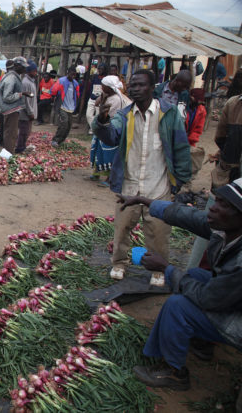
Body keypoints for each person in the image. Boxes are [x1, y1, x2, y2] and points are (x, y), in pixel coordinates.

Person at [114, 178, 242, 392]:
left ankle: (174, 372)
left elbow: (207, 298)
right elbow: (188, 216)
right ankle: (202, 343)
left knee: (178, 306)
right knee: (196, 275)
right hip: (233, 300)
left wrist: (167, 268)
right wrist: (143, 200)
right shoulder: (229, 229)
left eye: (224, 205)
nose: (213, 208)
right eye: (217, 200)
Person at [93, 69, 192, 281]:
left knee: (158, 232)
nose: (136, 89)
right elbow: (111, 136)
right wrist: (101, 122)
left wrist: (180, 181)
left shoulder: (169, 113)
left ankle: (158, 269)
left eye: (141, 85)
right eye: (133, 85)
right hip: (129, 185)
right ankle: (119, 263)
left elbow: (181, 147)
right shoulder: (124, 115)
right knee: (121, 229)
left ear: (152, 87)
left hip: (159, 185)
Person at [89, 75, 129, 186]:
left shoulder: (116, 99)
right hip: (101, 127)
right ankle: (96, 172)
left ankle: (109, 178)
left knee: (108, 153)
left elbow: (110, 117)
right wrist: (103, 96)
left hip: (109, 130)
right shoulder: (107, 96)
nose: (101, 87)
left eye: (103, 86)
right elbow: (96, 103)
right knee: (98, 150)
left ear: (110, 87)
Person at [0, 57, 32, 153]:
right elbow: (7, 97)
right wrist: (22, 94)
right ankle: (8, 154)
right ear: (17, 66)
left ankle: (8, 152)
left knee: (10, 133)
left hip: (10, 109)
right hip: (10, 110)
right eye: (23, 67)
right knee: (11, 133)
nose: (25, 70)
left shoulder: (12, 76)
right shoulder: (12, 78)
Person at [213, 93, 242, 185]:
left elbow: (220, 136)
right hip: (231, 164)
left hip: (230, 163)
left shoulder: (232, 102)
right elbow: (220, 136)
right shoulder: (232, 103)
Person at [182, 88, 207, 191]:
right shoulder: (182, 107)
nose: (199, 103)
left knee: (190, 165)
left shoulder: (201, 110)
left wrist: (190, 140)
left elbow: (198, 129)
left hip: (189, 141)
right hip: (179, 139)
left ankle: (186, 185)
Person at [50, 66, 80, 147]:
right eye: (71, 74)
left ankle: (61, 140)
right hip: (62, 106)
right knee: (64, 123)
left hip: (70, 107)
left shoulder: (75, 83)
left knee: (69, 126)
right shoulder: (62, 81)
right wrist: (54, 98)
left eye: (74, 75)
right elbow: (53, 90)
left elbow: (77, 95)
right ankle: (55, 140)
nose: (73, 76)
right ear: (68, 73)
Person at [16, 62, 37, 154]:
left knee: (26, 131)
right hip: (25, 112)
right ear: (29, 72)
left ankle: (22, 146)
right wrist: (30, 112)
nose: (36, 73)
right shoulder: (25, 83)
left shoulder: (31, 81)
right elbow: (25, 100)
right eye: (34, 71)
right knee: (23, 131)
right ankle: (20, 148)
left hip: (29, 111)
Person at [85, 64, 108, 134]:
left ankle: (93, 130)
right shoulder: (95, 77)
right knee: (88, 115)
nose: (100, 70)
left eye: (101, 69)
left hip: (101, 100)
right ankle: (94, 128)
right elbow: (91, 87)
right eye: (99, 69)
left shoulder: (106, 79)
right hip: (92, 98)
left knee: (97, 116)